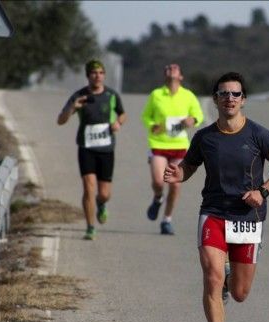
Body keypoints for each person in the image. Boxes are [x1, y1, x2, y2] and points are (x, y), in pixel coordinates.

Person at [164, 72, 269, 322]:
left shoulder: (259, 135)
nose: (229, 98)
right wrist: (180, 174)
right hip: (213, 214)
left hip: (248, 218)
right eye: (224, 94)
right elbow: (189, 165)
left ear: (243, 100)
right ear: (215, 99)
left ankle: (228, 280)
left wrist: (263, 191)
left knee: (240, 293)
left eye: (235, 94)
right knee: (212, 277)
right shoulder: (204, 137)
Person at [57, 59, 126, 240]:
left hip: (106, 149)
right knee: (88, 188)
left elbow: (123, 113)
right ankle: (90, 227)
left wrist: (118, 123)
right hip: (86, 147)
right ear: (88, 76)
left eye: (101, 73)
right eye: (94, 73)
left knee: (104, 193)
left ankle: (101, 204)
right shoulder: (79, 96)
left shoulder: (111, 95)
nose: (98, 76)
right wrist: (73, 107)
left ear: (104, 75)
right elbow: (61, 120)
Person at [141, 63, 204, 235]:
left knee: (175, 184)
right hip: (159, 144)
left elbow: (198, 114)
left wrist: (193, 120)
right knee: (158, 182)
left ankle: (167, 220)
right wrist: (152, 124)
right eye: (168, 68)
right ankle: (158, 197)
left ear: (181, 76)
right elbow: (146, 115)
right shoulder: (156, 95)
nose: (171, 69)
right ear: (165, 74)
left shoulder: (188, 95)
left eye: (175, 68)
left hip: (179, 146)